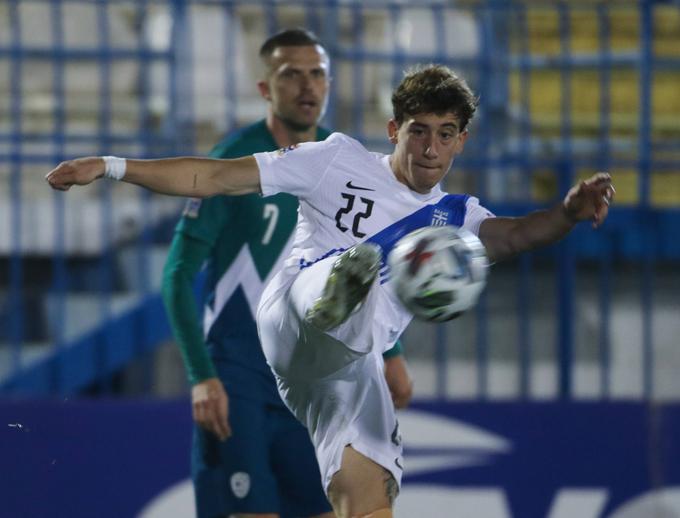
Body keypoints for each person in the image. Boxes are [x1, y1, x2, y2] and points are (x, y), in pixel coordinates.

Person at [46, 64, 615, 518]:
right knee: (349, 275)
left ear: (461, 142)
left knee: (372, 503)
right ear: (395, 130)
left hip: (348, 370)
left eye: (446, 135)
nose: (430, 149)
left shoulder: (457, 217)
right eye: (419, 131)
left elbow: (517, 235)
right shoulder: (335, 160)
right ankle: (344, 286)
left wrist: (567, 211)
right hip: (294, 315)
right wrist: (112, 165)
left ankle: (352, 293)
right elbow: (215, 177)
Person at [160, 28, 412, 518]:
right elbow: (176, 274)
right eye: (290, 74)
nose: (307, 86)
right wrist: (201, 376)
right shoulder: (235, 161)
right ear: (265, 89)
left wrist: (392, 352)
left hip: (316, 374)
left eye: (317, 74)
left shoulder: (347, 166)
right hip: (241, 379)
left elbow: (363, 267)